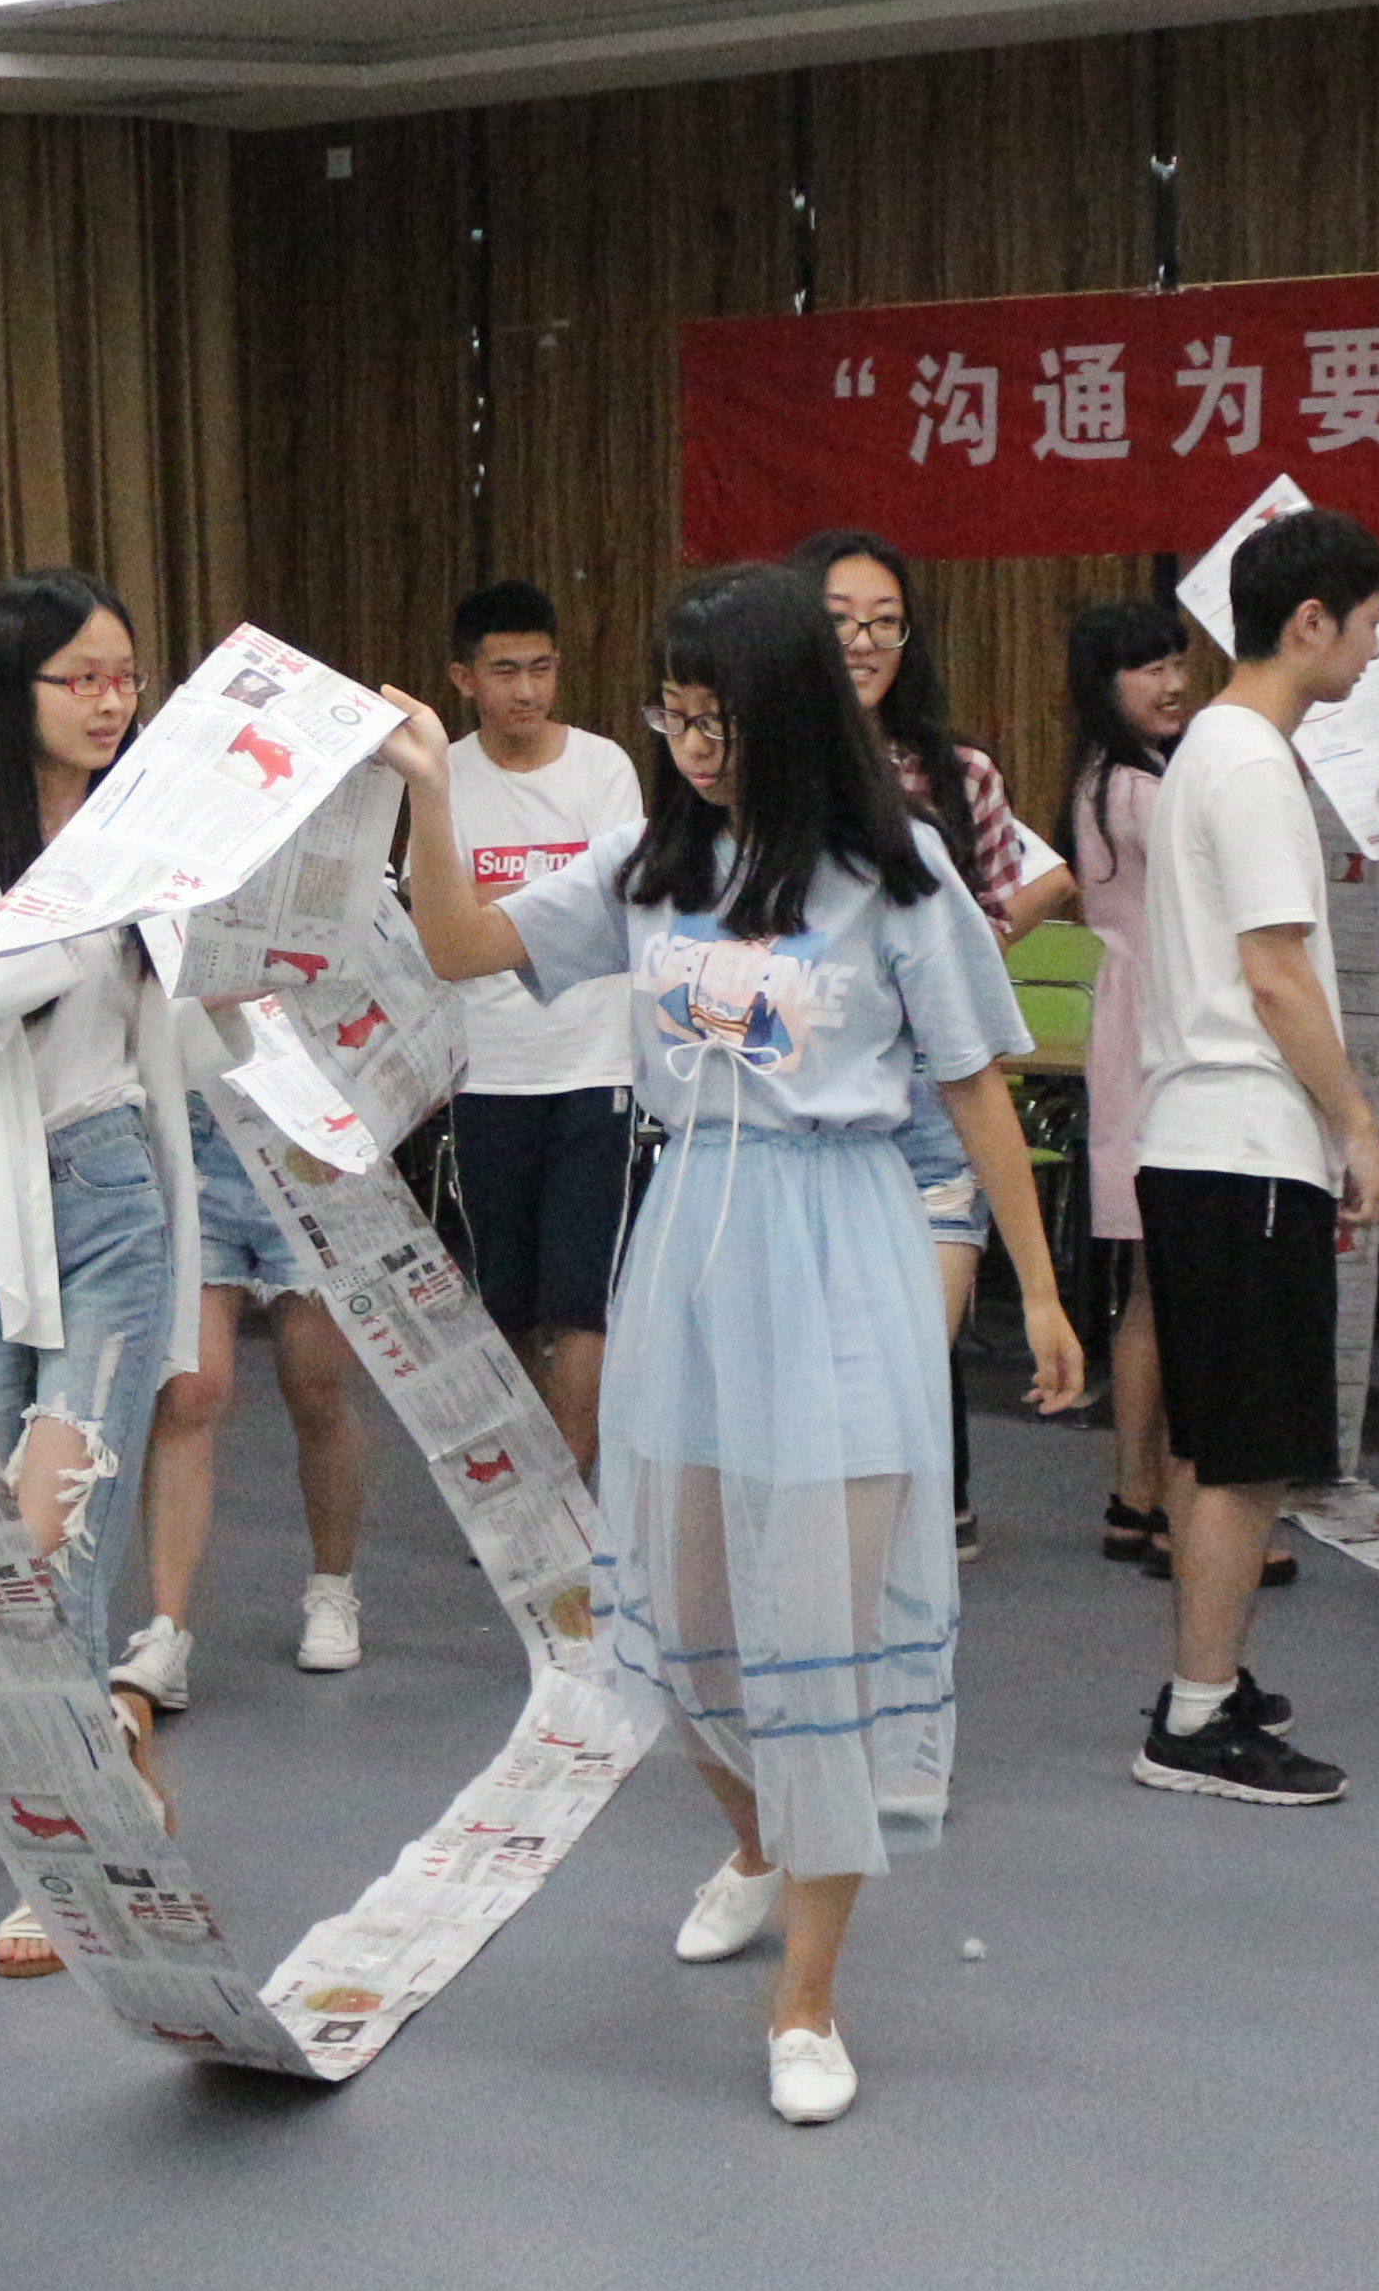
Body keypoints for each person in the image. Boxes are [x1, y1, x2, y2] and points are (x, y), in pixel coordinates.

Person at [389, 562, 1079, 2124]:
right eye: (675, 718)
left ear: (789, 711)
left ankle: (809, 1998)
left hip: (841, 1243)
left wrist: (1038, 1289)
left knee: (824, 1625)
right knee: (685, 1625)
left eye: (719, 720)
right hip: (688, 1238)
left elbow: (975, 1080)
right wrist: (428, 790)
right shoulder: (654, 858)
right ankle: (759, 1840)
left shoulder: (894, 869)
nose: (694, 748)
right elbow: (457, 944)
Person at [0, 571, 197, 1978]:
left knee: (53, 1532)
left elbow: (197, 1003)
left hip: (109, 1184)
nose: (110, 700)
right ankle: (110, 1746)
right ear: (17, 689)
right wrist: (86, 913)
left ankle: (64, 1861)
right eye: (82, 677)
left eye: (125, 675)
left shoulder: (158, 820)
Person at [1125, 509, 1379, 1809]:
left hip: (1200, 1140)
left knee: (1214, 1438)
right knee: (1245, 1453)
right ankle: (1193, 1719)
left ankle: (1209, 1678)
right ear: (1311, 622)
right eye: (1371, 623)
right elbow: (1278, 974)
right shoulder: (1249, 762)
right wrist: (1357, 1128)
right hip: (1243, 1143)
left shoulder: (1213, 751)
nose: (1378, 648)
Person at [791, 528, 1072, 1562]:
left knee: (897, 1386)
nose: (864, 643)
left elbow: (998, 918)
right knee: (810, 1396)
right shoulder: (762, 770)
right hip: (807, 1103)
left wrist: (937, 954)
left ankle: (885, 1586)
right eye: (840, 623)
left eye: (885, 623)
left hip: (932, 1102)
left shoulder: (960, 776)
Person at [439, 580, 639, 1481]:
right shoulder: (441, 776)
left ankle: (570, 1498)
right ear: (464, 679)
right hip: (488, 1071)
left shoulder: (604, 768)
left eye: (542, 668)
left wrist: (495, 908)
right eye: (505, 671)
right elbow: (439, 919)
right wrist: (522, 906)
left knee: (579, 1300)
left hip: (595, 1065)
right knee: (507, 1302)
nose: (527, 690)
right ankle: (521, 1497)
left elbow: (615, 906)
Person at [133, 1088, 380, 1692]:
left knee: (317, 1389)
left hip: (310, 1134)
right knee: (188, 1390)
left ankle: (333, 1588)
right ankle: (166, 1627)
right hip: (192, 1133)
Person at [1059, 595, 1195, 1575]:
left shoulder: (1101, 781)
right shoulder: (1148, 792)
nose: (1174, 683)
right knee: (1169, 1282)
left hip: (1128, 1028)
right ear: (1105, 685)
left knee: (1151, 1283)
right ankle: (1160, 1494)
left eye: (1179, 663)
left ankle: (1133, 1492)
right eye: (1150, 667)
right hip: (1161, 1031)